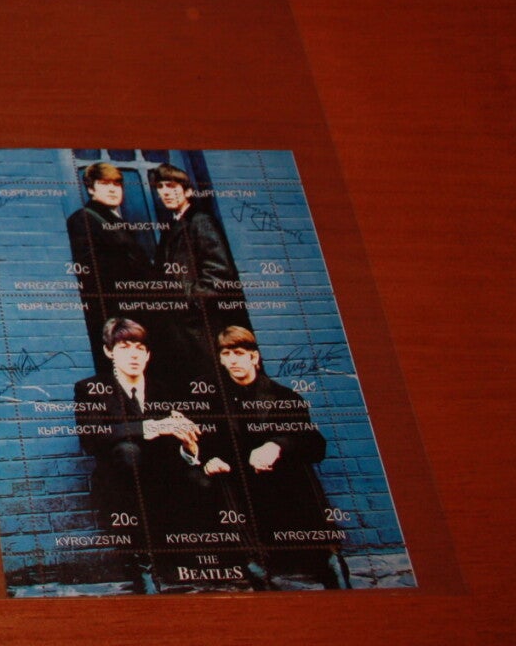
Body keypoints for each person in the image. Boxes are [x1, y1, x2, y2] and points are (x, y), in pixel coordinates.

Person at [202, 326, 349, 588]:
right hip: (243, 485)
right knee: (220, 477)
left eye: (239, 353)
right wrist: (211, 459)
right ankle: (254, 564)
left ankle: (330, 558)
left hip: (282, 485)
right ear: (221, 359)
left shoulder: (284, 396)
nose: (233, 360)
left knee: (303, 471)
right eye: (226, 354)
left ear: (254, 357)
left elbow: (316, 446)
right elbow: (207, 444)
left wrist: (277, 446)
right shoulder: (214, 401)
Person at [74, 318, 207, 594]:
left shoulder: (164, 390)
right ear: (109, 352)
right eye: (124, 347)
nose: (133, 355)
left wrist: (188, 447)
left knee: (201, 478)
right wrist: (151, 427)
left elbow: (181, 439)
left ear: (147, 354)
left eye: (139, 348)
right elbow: (92, 437)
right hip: (121, 480)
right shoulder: (90, 389)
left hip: (163, 478)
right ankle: (143, 565)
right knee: (129, 452)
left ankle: (196, 558)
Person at [151, 163, 243, 384]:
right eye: (161, 187)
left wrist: (189, 303)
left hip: (204, 326)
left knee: (216, 382)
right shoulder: (173, 225)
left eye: (172, 186)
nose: (165, 192)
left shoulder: (200, 221)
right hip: (184, 328)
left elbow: (220, 275)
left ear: (188, 191)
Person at [66, 162, 160, 377]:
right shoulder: (85, 219)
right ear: (91, 189)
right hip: (117, 320)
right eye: (104, 184)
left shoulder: (114, 221)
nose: (112, 189)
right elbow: (92, 278)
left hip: (135, 317)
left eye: (116, 184)